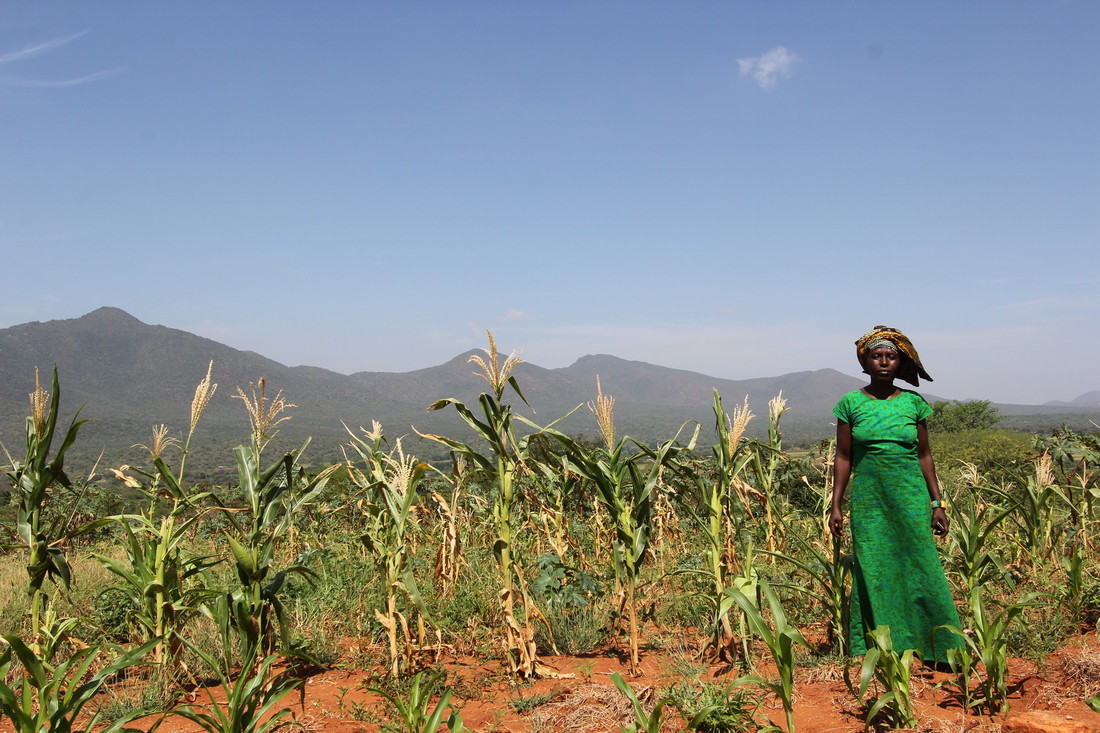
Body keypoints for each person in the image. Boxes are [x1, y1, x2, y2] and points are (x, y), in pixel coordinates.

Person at [829, 325, 961, 661]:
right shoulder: (850, 403)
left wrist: (937, 504)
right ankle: (881, 646)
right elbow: (843, 458)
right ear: (866, 361)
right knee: (874, 566)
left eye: (891, 356)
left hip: (911, 499)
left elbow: (925, 456)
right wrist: (836, 505)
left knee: (921, 565)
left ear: (900, 363)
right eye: (877, 356)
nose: (884, 362)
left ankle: (937, 648)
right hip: (870, 502)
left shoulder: (914, 403)